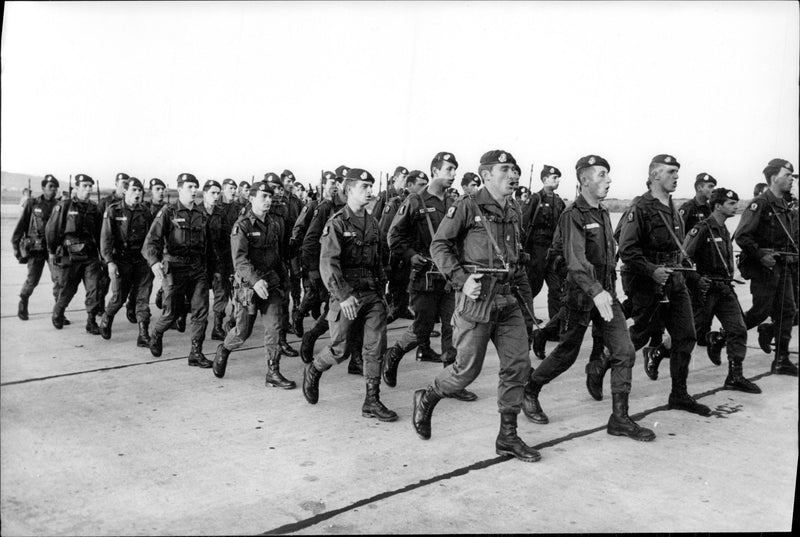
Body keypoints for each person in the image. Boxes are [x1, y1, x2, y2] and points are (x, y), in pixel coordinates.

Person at [411, 149, 540, 462]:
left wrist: (528, 309)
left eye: (515, 170)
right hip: (476, 300)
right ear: (486, 175)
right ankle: (427, 397)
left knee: (517, 367)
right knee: (464, 373)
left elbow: (516, 262)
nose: (514, 175)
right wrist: (460, 279)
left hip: (508, 300)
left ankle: (507, 437)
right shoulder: (467, 206)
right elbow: (439, 245)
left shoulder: (514, 210)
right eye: (506, 169)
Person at [522, 155, 655, 442]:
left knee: (625, 352)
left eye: (608, 175)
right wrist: (595, 291)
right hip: (581, 297)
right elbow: (576, 260)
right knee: (566, 354)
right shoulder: (573, 215)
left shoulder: (604, 212)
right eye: (602, 175)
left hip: (606, 295)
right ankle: (530, 389)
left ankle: (619, 418)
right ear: (584, 181)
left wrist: (605, 291)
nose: (609, 180)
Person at [618, 154, 710, 416]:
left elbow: (679, 252)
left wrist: (690, 278)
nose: (676, 177)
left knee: (686, 335)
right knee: (639, 335)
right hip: (647, 282)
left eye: (677, 172)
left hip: (675, 281)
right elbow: (627, 250)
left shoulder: (675, 209)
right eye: (670, 172)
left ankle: (679, 394)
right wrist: (652, 271)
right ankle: (601, 364)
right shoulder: (641, 208)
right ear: (655, 175)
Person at [302, 168, 397, 422]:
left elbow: (379, 262)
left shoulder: (373, 224)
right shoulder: (337, 223)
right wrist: (343, 296)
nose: (369, 192)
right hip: (345, 293)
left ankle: (372, 400)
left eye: (370, 187)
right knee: (340, 348)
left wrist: (383, 291)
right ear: (349, 190)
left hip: (371, 294)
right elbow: (328, 263)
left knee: (375, 347)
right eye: (363, 187)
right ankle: (314, 369)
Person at [383, 153, 477, 401]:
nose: (453, 174)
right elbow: (393, 236)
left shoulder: (455, 203)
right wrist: (410, 254)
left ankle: (451, 383)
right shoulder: (415, 201)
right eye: (448, 169)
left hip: (449, 278)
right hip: (424, 276)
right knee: (421, 330)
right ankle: (394, 355)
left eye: (455, 169)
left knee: (453, 329)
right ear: (435, 171)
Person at [213, 181, 295, 388]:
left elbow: (277, 256)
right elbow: (239, 260)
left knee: (275, 328)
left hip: (271, 284)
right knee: (242, 332)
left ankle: (273, 372)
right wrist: (255, 281)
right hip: (248, 288)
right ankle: (224, 349)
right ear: (251, 199)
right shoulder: (242, 226)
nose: (268, 201)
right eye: (263, 197)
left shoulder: (273, 225)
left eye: (270, 197)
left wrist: (285, 281)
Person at [683, 187, 761, 392]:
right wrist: (696, 279)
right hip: (705, 290)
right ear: (718, 206)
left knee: (738, 329)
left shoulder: (723, 229)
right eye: (731, 204)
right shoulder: (702, 229)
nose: (736, 207)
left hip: (724, 289)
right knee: (688, 333)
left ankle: (735, 377)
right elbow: (683, 259)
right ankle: (657, 353)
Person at [143, 173, 217, 367]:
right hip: (174, 267)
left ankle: (196, 352)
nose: (194, 191)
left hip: (197, 267)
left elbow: (208, 246)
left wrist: (212, 270)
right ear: (180, 189)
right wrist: (154, 262)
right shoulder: (169, 212)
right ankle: (157, 333)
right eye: (190, 187)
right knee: (171, 312)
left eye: (196, 187)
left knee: (201, 310)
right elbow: (152, 241)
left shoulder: (201, 215)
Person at [734, 158, 798, 375]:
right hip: (765, 268)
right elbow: (741, 236)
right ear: (773, 178)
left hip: (783, 267)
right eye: (787, 175)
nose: (791, 179)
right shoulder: (760, 204)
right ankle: (723, 335)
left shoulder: (784, 205)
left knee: (787, 311)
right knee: (760, 312)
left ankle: (781, 359)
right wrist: (761, 255)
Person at [299, 165, 364, 375]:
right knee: (335, 315)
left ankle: (356, 360)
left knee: (355, 316)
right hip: (331, 273)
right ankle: (311, 337)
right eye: (341, 182)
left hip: (352, 275)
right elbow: (310, 242)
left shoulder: (357, 210)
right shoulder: (327, 208)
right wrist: (315, 273)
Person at [98, 178, 154, 346]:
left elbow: (152, 237)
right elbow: (106, 239)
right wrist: (109, 262)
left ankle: (143, 334)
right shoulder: (113, 211)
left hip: (141, 261)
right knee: (119, 297)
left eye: (140, 191)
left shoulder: (145, 211)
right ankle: (107, 318)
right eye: (134, 190)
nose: (138, 194)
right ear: (125, 191)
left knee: (142, 298)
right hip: (121, 261)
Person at [45, 174, 103, 332]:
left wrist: (102, 255)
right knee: (68, 288)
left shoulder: (94, 208)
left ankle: (91, 321)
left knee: (94, 287)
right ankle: (59, 312)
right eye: (85, 186)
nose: (89, 189)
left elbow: (99, 233)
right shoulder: (65, 205)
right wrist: (52, 251)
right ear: (76, 188)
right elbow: (52, 229)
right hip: (69, 254)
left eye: (91, 186)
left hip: (90, 255)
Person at [379, 170, 429, 323]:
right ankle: (394, 310)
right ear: (409, 185)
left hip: (413, 253)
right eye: (420, 185)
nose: (424, 189)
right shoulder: (395, 204)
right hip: (397, 254)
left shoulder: (423, 203)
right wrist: (384, 261)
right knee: (397, 285)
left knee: (408, 285)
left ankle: (402, 309)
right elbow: (384, 233)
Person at [12, 175, 62, 321]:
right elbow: (21, 225)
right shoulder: (32, 203)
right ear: (43, 188)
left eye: (55, 187)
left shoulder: (59, 205)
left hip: (53, 249)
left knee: (59, 280)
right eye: (50, 187)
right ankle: (23, 302)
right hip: (36, 248)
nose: (53, 190)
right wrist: (16, 246)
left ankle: (58, 312)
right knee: (32, 279)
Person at [291, 171, 334, 335]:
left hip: (325, 258)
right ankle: (299, 315)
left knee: (321, 295)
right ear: (322, 186)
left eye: (337, 183)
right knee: (311, 293)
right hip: (311, 257)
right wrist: (307, 264)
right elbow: (300, 232)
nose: (335, 187)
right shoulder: (314, 206)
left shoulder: (333, 206)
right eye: (331, 183)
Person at [522, 165, 566, 324]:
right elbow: (523, 224)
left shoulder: (559, 201)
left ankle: (554, 325)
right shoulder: (535, 199)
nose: (557, 181)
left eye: (558, 178)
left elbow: (562, 227)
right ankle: (525, 318)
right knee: (533, 286)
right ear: (544, 179)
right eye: (554, 178)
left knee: (556, 288)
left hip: (552, 251)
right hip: (536, 251)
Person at [264, 173, 300, 356]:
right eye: (272, 188)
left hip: (279, 264)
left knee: (283, 302)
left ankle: (282, 341)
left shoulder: (282, 210)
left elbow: (285, 239)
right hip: (260, 269)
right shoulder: (252, 211)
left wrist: (288, 259)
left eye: (279, 188)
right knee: (244, 322)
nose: (276, 192)